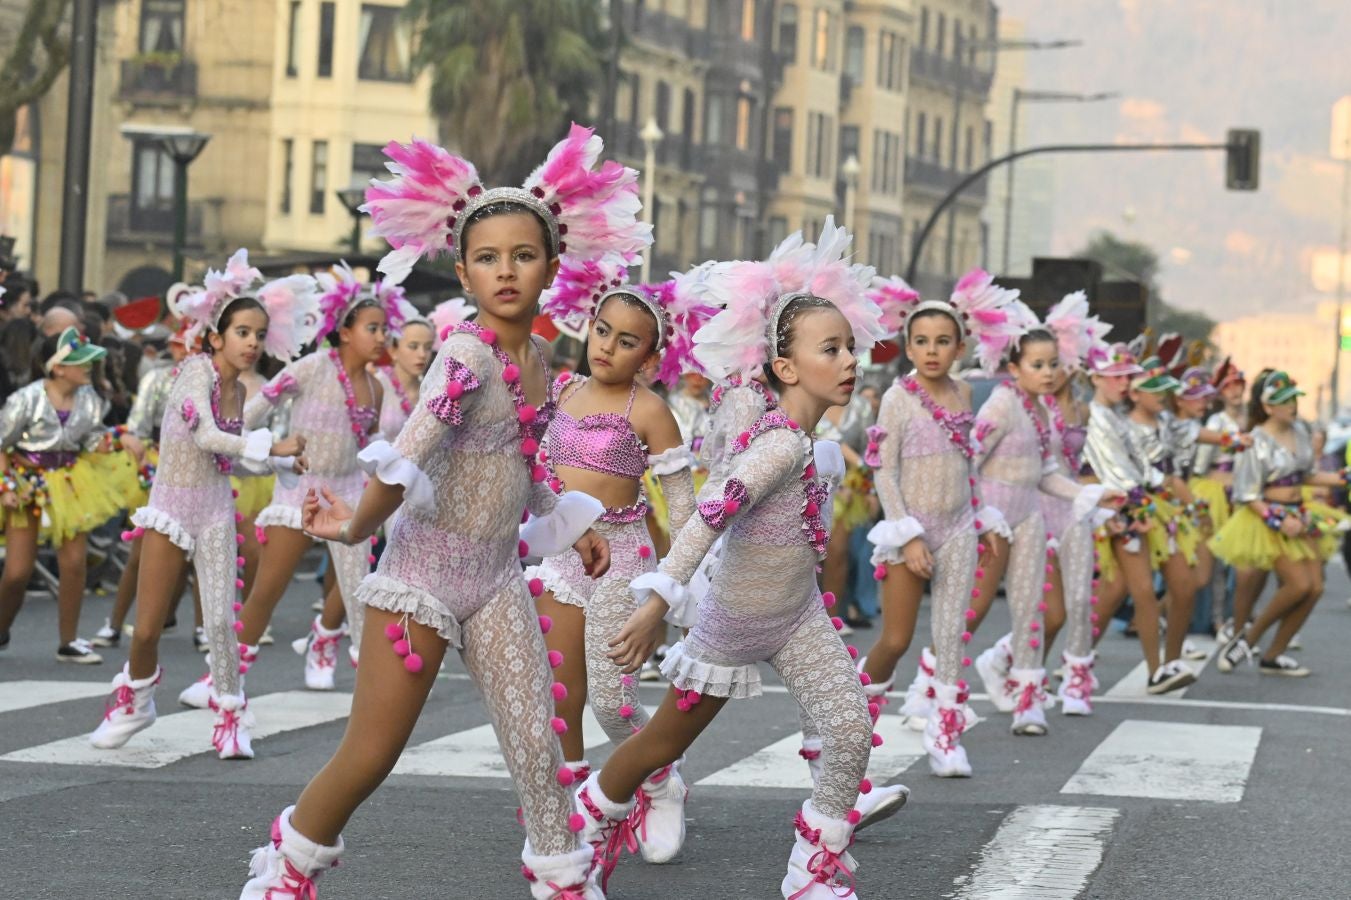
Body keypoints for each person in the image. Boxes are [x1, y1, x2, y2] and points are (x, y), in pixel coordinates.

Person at [236, 124, 648, 899]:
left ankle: (562, 878)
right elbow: (416, 450)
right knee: (371, 752)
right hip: (421, 579)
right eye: (487, 258)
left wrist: (571, 519)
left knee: (538, 742)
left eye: (522, 256)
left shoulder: (537, 363)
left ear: (551, 269)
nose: (505, 271)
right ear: (461, 270)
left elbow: (517, 463)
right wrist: (355, 525)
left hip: (495, 581)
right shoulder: (464, 355)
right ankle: (287, 867)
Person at [573, 219, 895, 900]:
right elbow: (708, 516)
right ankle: (587, 827)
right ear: (785, 367)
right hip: (732, 625)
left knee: (847, 727)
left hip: (797, 616)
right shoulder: (777, 447)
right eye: (830, 350)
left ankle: (813, 874)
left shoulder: (806, 441)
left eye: (849, 347)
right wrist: (658, 602)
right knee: (657, 747)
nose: (848, 361)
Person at [89, 253, 314, 756]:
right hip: (169, 510)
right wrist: (272, 447)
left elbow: (232, 460)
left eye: (259, 334)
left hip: (215, 511)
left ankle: (232, 715)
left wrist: (279, 462)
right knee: (147, 629)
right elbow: (209, 437)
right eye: (242, 333)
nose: (252, 343)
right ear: (216, 337)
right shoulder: (194, 374)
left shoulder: (242, 391)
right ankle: (136, 701)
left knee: (219, 624)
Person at [529, 252, 709, 865]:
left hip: (622, 559)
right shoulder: (559, 390)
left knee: (614, 701)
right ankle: (576, 812)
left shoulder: (652, 410)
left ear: (650, 358)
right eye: (602, 330)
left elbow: (684, 512)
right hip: (559, 552)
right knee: (562, 693)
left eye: (626, 341)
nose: (606, 346)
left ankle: (658, 779)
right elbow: (531, 464)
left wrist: (668, 590)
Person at [858, 270, 1016, 775]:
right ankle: (855, 713)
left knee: (951, 634)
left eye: (943, 342)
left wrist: (983, 515)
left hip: (959, 527)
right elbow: (884, 470)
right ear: (906, 345)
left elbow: (968, 463)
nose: (932, 351)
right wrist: (906, 534)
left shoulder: (965, 395)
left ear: (960, 347)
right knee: (897, 640)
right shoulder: (897, 398)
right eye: (922, 341)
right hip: (911, 530)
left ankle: (945, 732)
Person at [965, 302, 1116, 735]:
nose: (1049, 372)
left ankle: (1028, 701)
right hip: (996, 519)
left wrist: (1091, 494)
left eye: (1053, 363)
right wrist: (980, 514)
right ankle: (930, 687)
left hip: (1030, 514)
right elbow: (970, 460)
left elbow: (1047, 472)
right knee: (969, 610)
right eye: (1037, 364)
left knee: (1030, 607)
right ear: (1014, 366)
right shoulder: (1000, 405)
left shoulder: (1040, 410)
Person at [0, 327, 141, 660]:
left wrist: (121, 438)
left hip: (70, 482)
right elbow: (2, 444)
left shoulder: (90, 399)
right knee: (18, 570)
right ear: (58, 367)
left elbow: (93, 439)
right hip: (26, 483)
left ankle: (69, 641)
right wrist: (5, 487)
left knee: (75, 563)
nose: (88, 368)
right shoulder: (26, 398)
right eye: (80, 362)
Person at [1213, 371, 1346, 677]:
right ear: (1268, 406)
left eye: (1293, 400)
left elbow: (1308, 475)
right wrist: (1277, 519)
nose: (1291, 406)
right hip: (1266, 518)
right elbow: (1247, 493)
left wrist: (1342, 478)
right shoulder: (1255, 439)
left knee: (1315, 588)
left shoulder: (1300, 431)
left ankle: (1274, 655)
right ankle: (1246, 639)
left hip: (1297, 514)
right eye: (1283, 401)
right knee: (1298, 584)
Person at [1082, 348, 1198, 694]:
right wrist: (1137, 508)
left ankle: (1078, 659)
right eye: (1115, 375)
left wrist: (1160, 495)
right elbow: (1115, 475)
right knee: (1142, 590)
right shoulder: (1095, 417)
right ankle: (1155, 671)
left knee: (1129, 589)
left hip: (1136, 505)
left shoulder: (1115, 416)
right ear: (1096, 378)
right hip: (1118, 510)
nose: (1123, 381)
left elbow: (1139, 467)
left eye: (1127, 375)